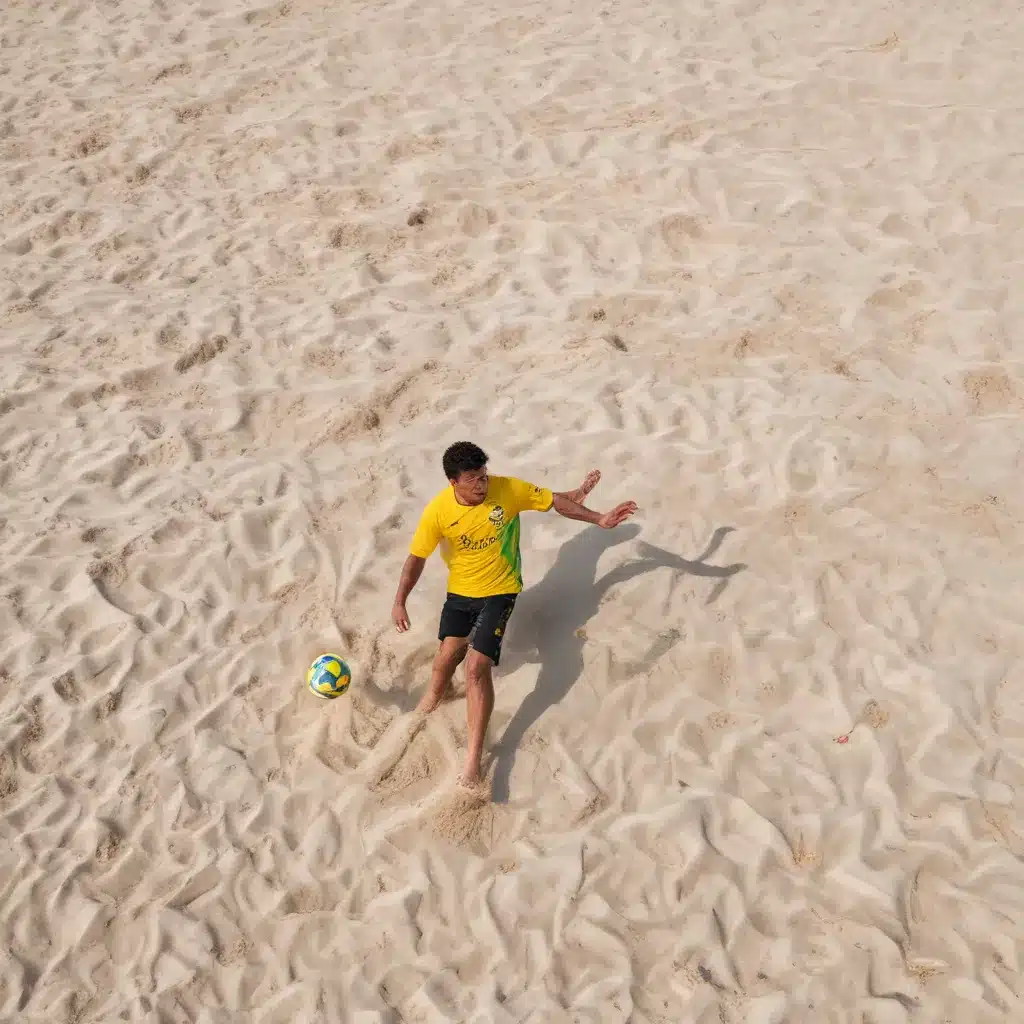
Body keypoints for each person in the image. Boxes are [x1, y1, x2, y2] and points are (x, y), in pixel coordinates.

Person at [391, 441, 637, 787]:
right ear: (453, 483)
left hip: (500, 590)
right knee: (447, 656)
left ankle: (473, 761)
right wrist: (400, 600)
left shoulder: (506, 489)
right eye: (473, 479)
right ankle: (433, 695)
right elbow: (416, 558)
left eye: (484, 475)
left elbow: (551, 502)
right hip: (461, 592)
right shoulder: (437, 512)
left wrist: (598, 518)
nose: (482, 484)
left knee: (476, 667)